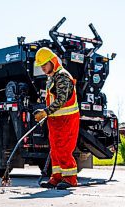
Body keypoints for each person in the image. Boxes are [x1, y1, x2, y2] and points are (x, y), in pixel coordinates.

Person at [33, 47, 80, 189]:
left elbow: (61, 100)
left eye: (45, 64)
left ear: (53, 62)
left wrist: (45, 112)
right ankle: (57, 177)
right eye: (41, 65)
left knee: (64, 149)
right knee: (55, 150)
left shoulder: (62, 76)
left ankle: (70, 179)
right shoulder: (52, 78)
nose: (42, 68)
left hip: (67, 120)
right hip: (56, 121)